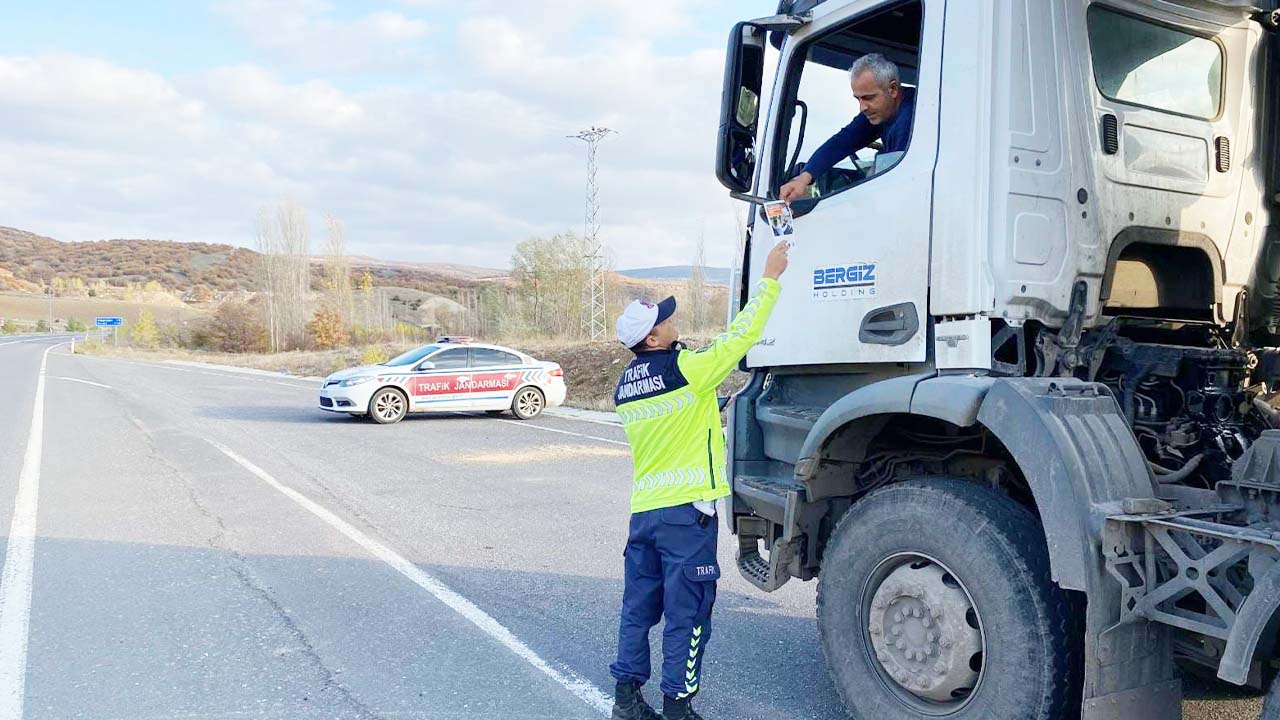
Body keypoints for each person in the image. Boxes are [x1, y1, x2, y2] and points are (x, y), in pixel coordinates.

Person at [608, 241, 790, 720]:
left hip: (645, 513)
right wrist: (770, 279)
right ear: (652, 339)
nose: (671, 322)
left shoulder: (625, 386)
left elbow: (673, 422)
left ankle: (625, 699)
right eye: (664, 321)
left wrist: (713, 409)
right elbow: (739, 339)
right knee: (687, 614)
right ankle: (678, 706)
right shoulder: (687, 369)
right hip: (687, 515)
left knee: (639, 607)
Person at [779, 53, 916, 203]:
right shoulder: (883, 110)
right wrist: (804, 178)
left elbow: (895, 183)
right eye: (858, 99)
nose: (862, 107)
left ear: (893, 89)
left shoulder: (911, 118)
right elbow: (843, 141)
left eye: (869, 98)